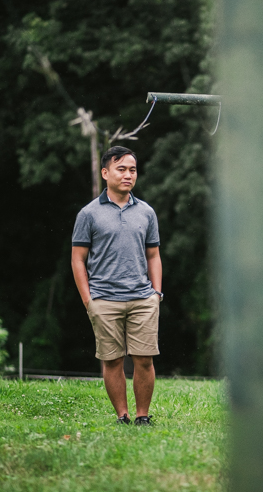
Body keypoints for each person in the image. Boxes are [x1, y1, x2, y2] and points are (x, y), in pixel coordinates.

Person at [71, 146, 163, 426]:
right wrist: (89, 301)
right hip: (104, 299)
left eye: (132, 169)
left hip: (142, 298)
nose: (128, 175)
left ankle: (142, 416)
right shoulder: (88, 214)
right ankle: (122, 416)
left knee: (144, 360)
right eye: (121, 169)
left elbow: (154, 255)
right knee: (112, 361)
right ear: (105, 172)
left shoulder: (146, 212)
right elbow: (78, 260)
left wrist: (156, 293)